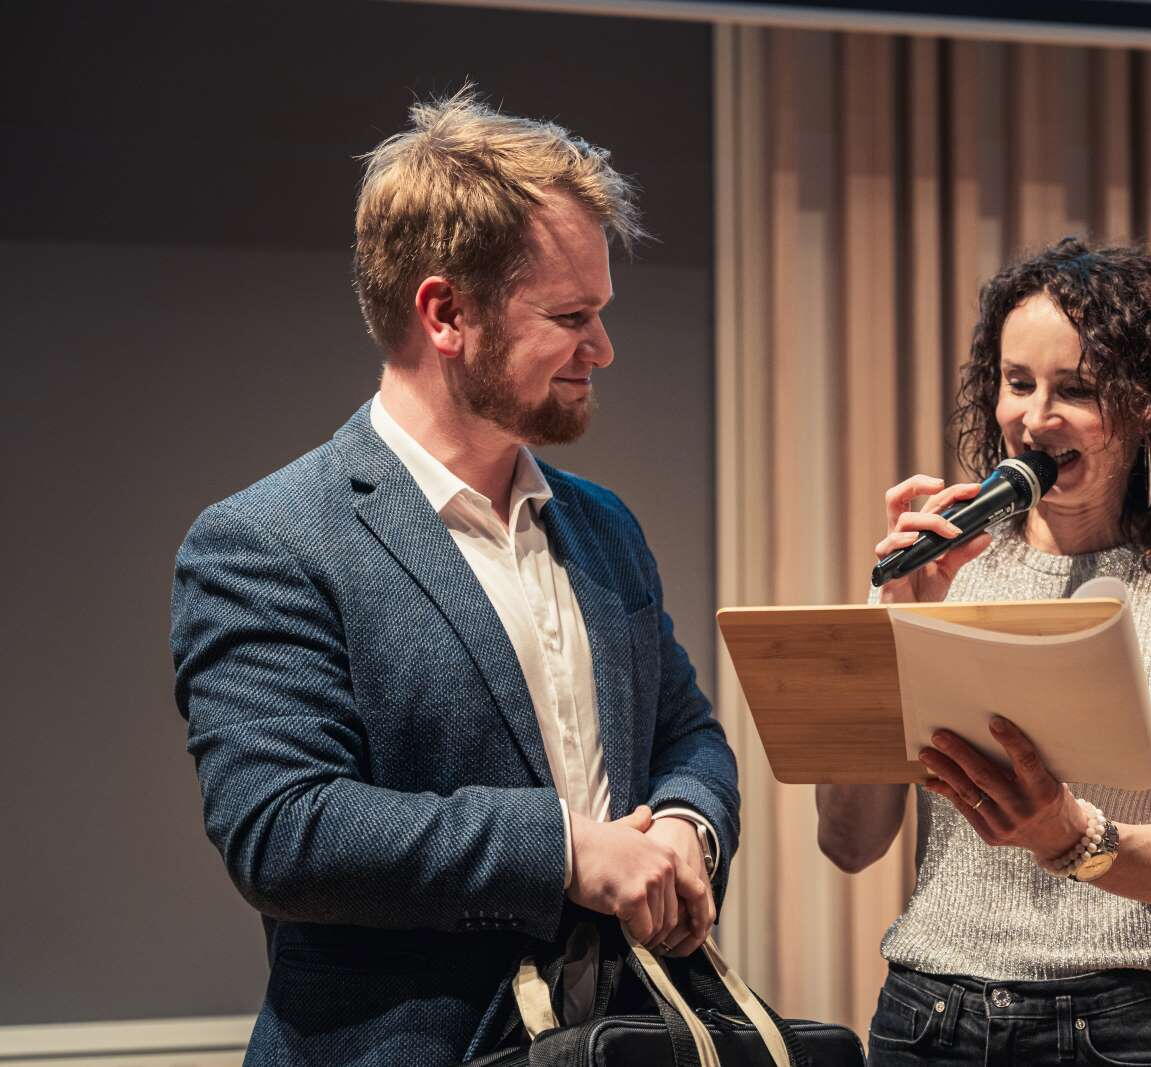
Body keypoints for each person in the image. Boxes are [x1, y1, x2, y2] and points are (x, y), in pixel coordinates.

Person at [170, 89, 738, 1065]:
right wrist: (566, 850)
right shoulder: (265, 541)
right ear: (445, 313)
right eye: (570, 316)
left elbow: (686, 733)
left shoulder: (603, 526)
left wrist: (690, 823)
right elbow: (282, 827)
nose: (602, 348)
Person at [816, 237, 1151, 1065]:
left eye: (1077, 389)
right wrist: (896, 623)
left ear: (1147, 408)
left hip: (1110, 1027)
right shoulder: (948, 562)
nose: (1033, 420)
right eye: (1017, 382)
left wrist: (1071, 833)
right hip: (927, 1018)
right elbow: (849, 841)